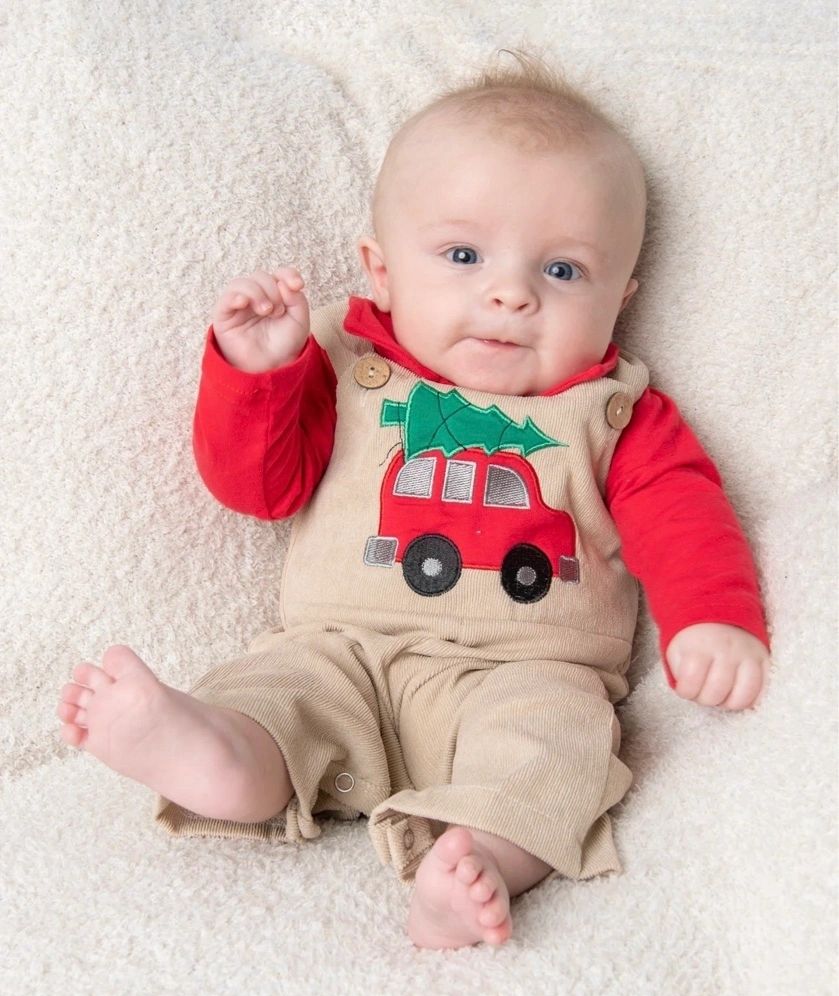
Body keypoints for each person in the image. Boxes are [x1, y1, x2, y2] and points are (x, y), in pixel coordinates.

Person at [57, 49, 770, 950]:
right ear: (381, 270)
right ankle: (214, 754)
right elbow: (257, 489)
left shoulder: (612, 412)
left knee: (559, 749)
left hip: (527, 674)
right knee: (274, 694)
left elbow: (682, 512)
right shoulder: (347, 368)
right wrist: (262, 373)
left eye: (562, 272)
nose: (509, 292)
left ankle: (476, 859)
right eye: (463, 254)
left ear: (620, 298)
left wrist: (711, 616)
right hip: (335, 651)